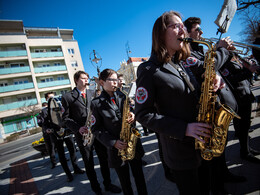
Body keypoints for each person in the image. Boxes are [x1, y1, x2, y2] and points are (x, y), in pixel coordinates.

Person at [135, 10, 233, 194]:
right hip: (181, 153)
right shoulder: (148, 70)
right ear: (161, 33)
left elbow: (204, 74)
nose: (183, 30)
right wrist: (185, 129)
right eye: (176, 26)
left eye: (183, 26)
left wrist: (214, 77)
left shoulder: (181, 62)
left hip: (202, 143)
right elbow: (142, 114)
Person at [184, 17, 247, 194]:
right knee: (211, 156)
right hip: (207, 111)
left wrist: (227, 53)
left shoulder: (202, 50)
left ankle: (224, 175)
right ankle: (217, 187)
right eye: (197, 29)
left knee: (220, 150)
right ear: (187, 33)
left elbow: (216, 69)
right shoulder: (186, 53)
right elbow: (206, 68)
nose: (201, 32)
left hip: (219, 106)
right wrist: (222, 50)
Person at [62, 71, 121, 195]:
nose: (86, 80)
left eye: (87, 78)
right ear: (76, 80)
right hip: (83, 134)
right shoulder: (67, 97)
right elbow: (65, 118)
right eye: (83, 78)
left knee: (104, 160)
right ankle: (96, 189)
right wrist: (78, 128)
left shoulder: (92, 93)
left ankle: (108, 184)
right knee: (89, 163)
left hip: (98, 132)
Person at [91, 68, 148, 195]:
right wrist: (113, 142)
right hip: (116, 147)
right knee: (125, 182)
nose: (115, 82)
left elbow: (132, 110)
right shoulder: (96, 103)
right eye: (111, 79)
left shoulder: (123, 96)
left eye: (116, 79)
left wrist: (133, 115)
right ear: (101, 82)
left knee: (140, 177)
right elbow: (95, 128)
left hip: (132, 143)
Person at [44, 92, 85, 182]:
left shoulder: (62, 106)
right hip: (56, 134)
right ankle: (68, 174)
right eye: (50, 97)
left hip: (66, 131)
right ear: (47, 99)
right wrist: (47, 129)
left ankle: (76, 168)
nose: (53, 99)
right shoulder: (45, 111)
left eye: (53, 96)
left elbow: (67, 116)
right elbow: (44, 123)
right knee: (61, 154)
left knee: (72, 150)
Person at [37, 102, 56, 169]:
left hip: (51, 131)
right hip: (46, 133)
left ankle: (57, 160)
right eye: (43, 107)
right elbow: (40, 124)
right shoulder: (39, 115)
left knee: (54, 147)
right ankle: (53, 162)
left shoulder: (49, 112)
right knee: (50, 148)